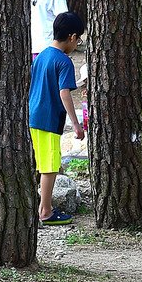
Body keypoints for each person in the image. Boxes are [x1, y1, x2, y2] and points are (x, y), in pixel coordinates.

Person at [30, 11, 86, 225]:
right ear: (72, 37)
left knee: (44, 163)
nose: (77, 43)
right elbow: (64, 93)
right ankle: (45, 211)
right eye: (78, 39)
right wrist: (76, 124)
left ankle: (42, 207)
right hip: (49, 118)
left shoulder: (42, 55)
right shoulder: (64, 61)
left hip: (34, 114)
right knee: (50, 165)